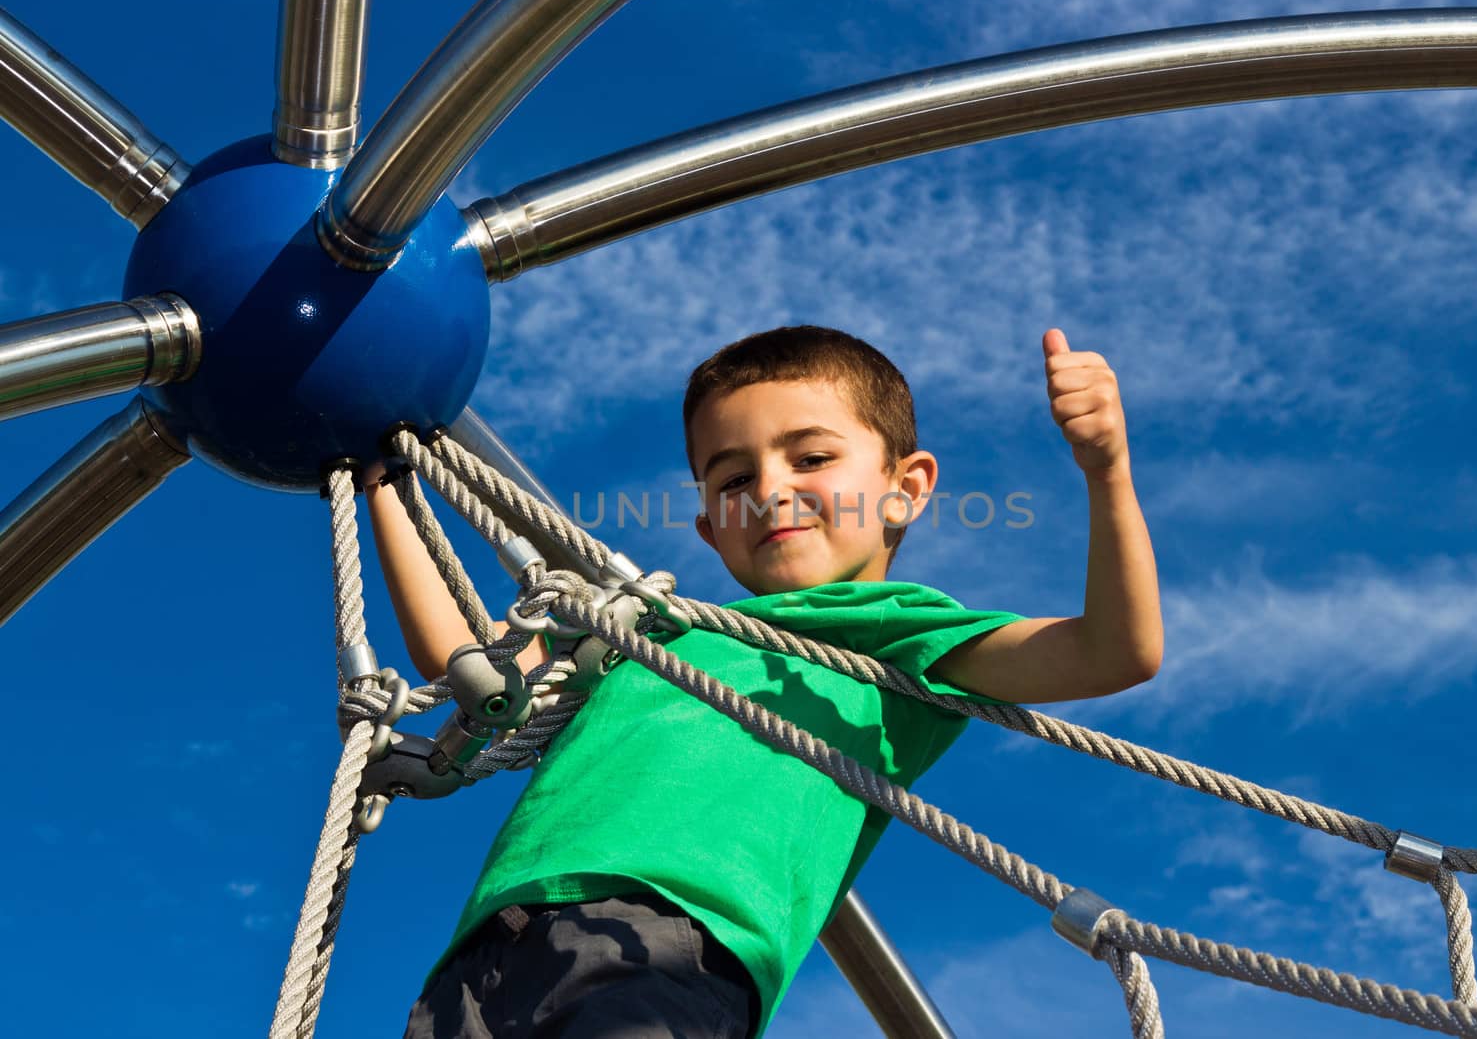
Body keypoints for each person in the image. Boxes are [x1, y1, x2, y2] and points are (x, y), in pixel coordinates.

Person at [371, 324, 1162, 1038]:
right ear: (711, 529)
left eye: (812, 458)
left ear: (908, 487)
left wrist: (1108, 470)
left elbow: (1112, 652)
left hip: (669, 941)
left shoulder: (896, 631)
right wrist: (378, 479)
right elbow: (469, 661)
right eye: (734, 478)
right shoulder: (653, 635)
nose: (771, 490)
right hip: (483, 954)